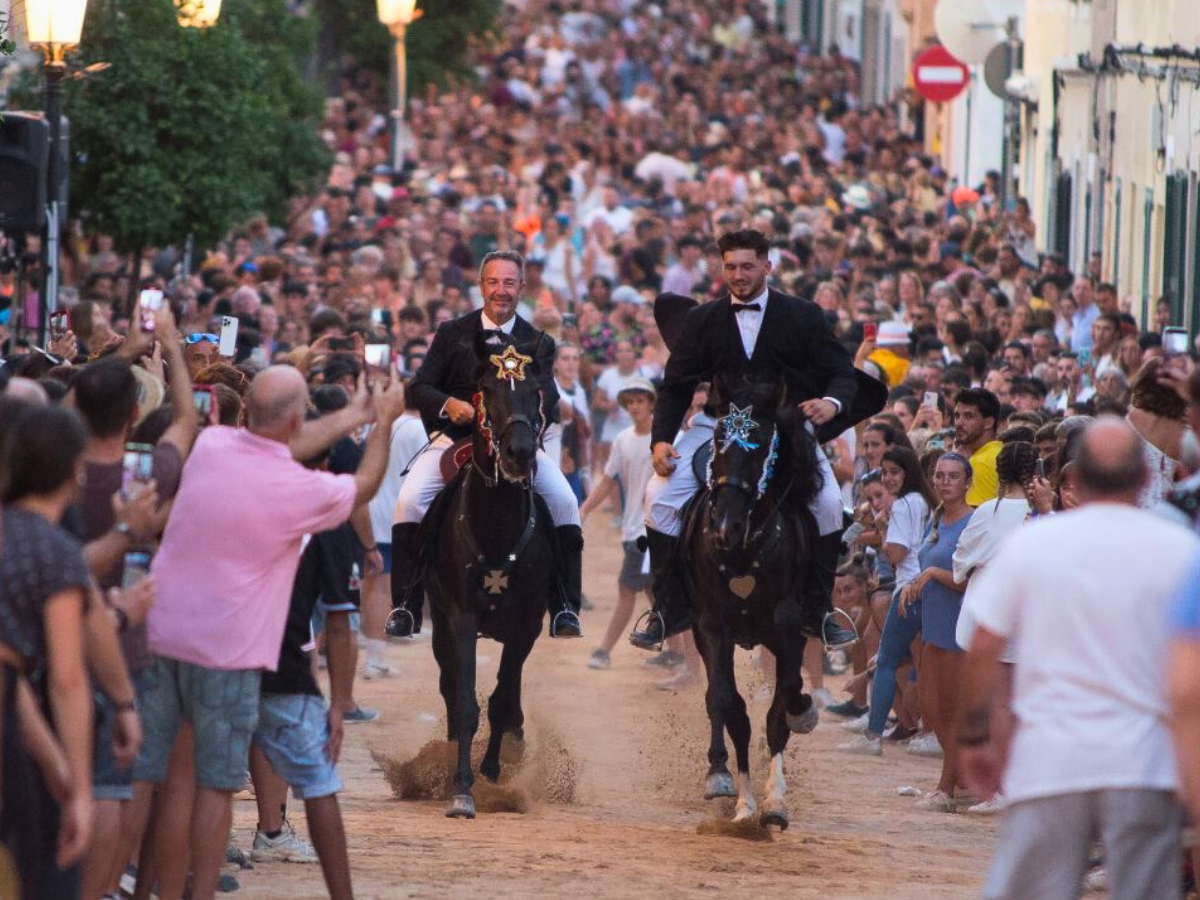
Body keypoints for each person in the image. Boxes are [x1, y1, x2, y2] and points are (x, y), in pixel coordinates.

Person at [128, 366, 403, 900]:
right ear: (298, 418)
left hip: (162, 631)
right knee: (214, 787)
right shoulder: (298, 488)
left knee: (166, 780)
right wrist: (382, 420)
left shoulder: (211, 446)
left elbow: (280, 430)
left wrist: (354, 412)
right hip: (226, 650)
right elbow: (365, 484)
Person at [957, 419, 1198, 900]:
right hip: (1143, 763)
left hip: (1051, 759)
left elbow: (983, 644)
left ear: (1077, 477)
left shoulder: (1035, 543)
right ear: (1146, 479)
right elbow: (1187, 682)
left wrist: (975, 737)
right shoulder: (1181, 551)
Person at [630, 230, 882, 651]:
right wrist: (660, 442)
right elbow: (675, 387)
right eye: (730, 266)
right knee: (658, 496)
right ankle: (669, 607)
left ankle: (819, 610)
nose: (738, 275)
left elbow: (841, 370)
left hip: (784, 424)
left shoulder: (802, 315)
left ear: (768, 266)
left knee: (827, 504)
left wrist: (833, 403)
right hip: (718, 424)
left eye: (747, 266)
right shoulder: (702, 319)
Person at [387, 251, 583, 640]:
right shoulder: (451, 333)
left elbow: (550, 400)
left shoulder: (538, 342)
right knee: (408, 502)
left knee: (565, 502)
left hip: (517, 444)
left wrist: (526, 430)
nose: (501, 291)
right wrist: (450, 404)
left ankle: (564, 605)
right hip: (456, 441)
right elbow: (421, 386)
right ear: (481, 286)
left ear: (521, 288)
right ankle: (406, 604)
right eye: (493, 282)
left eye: (509, 283)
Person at [0, 403, 106, 900]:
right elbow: (65, 680)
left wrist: (52, 764)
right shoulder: (55, 551)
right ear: (73, 468)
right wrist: (78, 788)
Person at [839, 446, 935, 755]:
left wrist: (883, 527)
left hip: (908, 589)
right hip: (925, 588)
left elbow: (895, 553)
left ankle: (873, 736)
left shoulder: (906, 504)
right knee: (921, 663)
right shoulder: (922, 500)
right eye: (886, 472)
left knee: (887, 661)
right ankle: (928, 731)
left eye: (895, 472)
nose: (889, 478)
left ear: (908, 473)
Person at [898, 453, 973, 810]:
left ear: (967, 483)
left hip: (959, 621)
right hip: (932, 620)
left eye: (953, 476)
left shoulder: (973, 523)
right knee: (929, 705)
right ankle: (960, 772)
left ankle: (946, 788)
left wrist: (930, 576)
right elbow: (928, 563)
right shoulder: (937, 518)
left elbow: (970, 579)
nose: (944, 482)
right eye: (939, 475)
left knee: (952, 710)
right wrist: (917, 581)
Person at [580, 378, 656, 671]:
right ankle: (678, 655)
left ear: (651, 403)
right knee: (656, 593)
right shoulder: (623, 439)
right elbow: (608, 480)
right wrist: (584, 509)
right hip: (633, 527)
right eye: (631, 401)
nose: (635, 406)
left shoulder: (665, 438)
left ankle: (604, 650)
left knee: (627, 589)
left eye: (641, 400)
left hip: (650, 530)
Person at [953, 387, 1002, 506]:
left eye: (968, 416)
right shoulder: (1000, 450)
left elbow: (974, 518)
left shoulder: (979, 462)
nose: (959, 423)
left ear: (989, 422)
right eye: (957, 416)